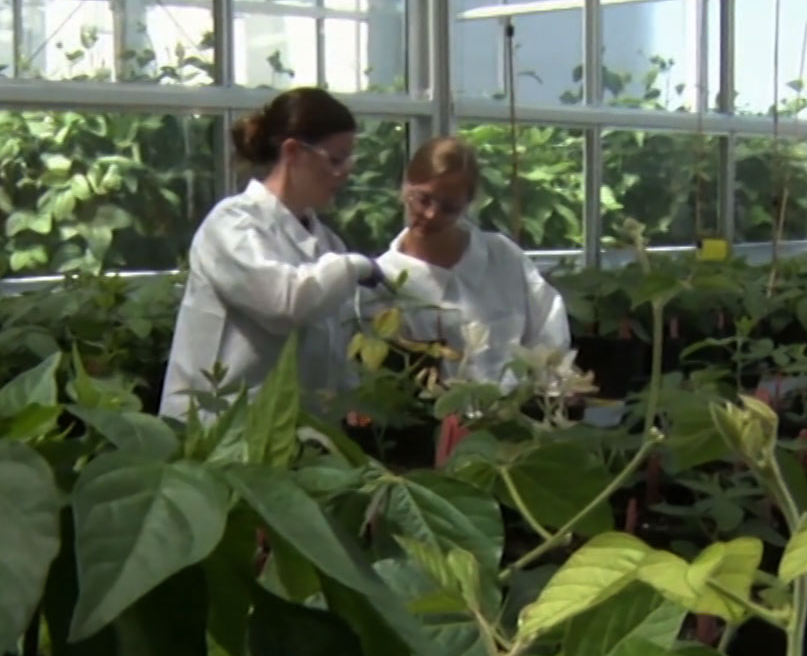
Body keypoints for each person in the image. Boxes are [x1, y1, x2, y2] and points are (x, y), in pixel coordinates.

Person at [160, 87, 383, 421]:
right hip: (217, 429)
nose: (345, 171)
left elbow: (333, 344)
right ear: (293, 151)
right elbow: (284, 303)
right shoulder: (232, 224)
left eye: (349, 159)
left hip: (298, 434)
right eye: (335, 159)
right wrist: (356, 266)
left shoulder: (327, 243)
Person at [364, 135, 573, 391]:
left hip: (514, 419)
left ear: (468, 203)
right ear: (406, 187)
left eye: (449, 207)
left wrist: (551, 390)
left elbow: (548, 329)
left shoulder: (502, 256)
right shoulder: (384, 278)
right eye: (423, 199)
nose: (432, 214)